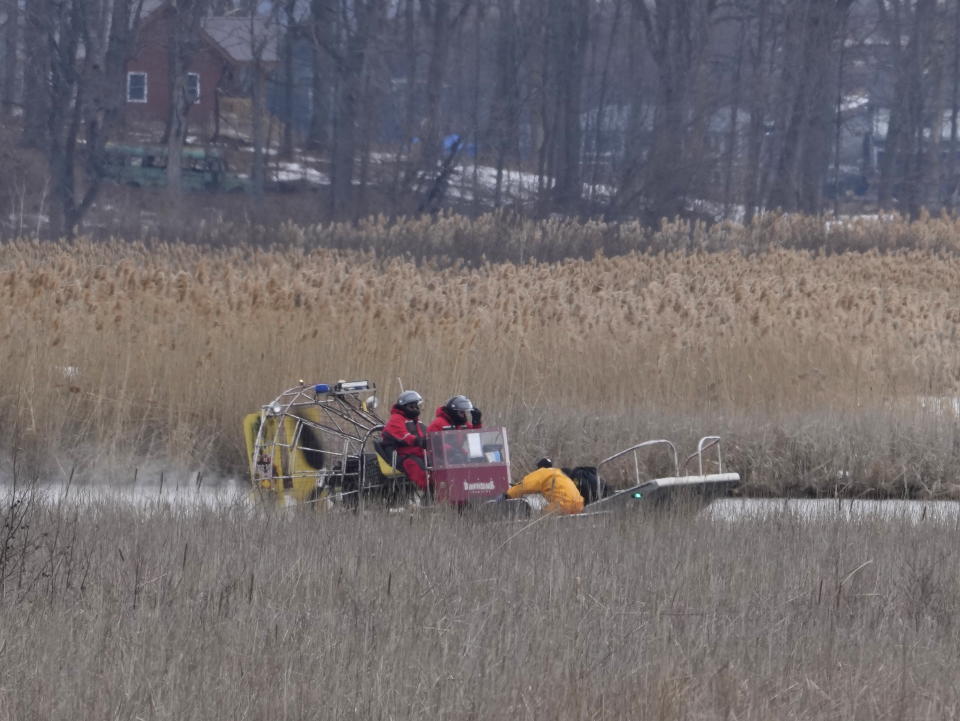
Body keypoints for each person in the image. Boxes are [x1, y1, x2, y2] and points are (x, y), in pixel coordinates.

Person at [381, 390, 429, 491]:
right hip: (402, 455)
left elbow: (427, 434)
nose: (416, 409)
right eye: (413, 406)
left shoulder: (415, 420)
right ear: (406, 406)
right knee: (418, 468)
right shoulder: (396, 419)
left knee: (437, 463)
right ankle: (427, 493)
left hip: (418, 453)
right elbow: (403, 436)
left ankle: (442, 491)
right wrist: (418, 441)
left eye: (417, 406)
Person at [505, 457, 585, 515]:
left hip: (562, 505)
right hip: (579, 505)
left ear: (539, 468)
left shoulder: (542, 473)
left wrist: (508, 494)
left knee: (540, 518)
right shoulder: (559, 473)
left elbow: (525, 485)